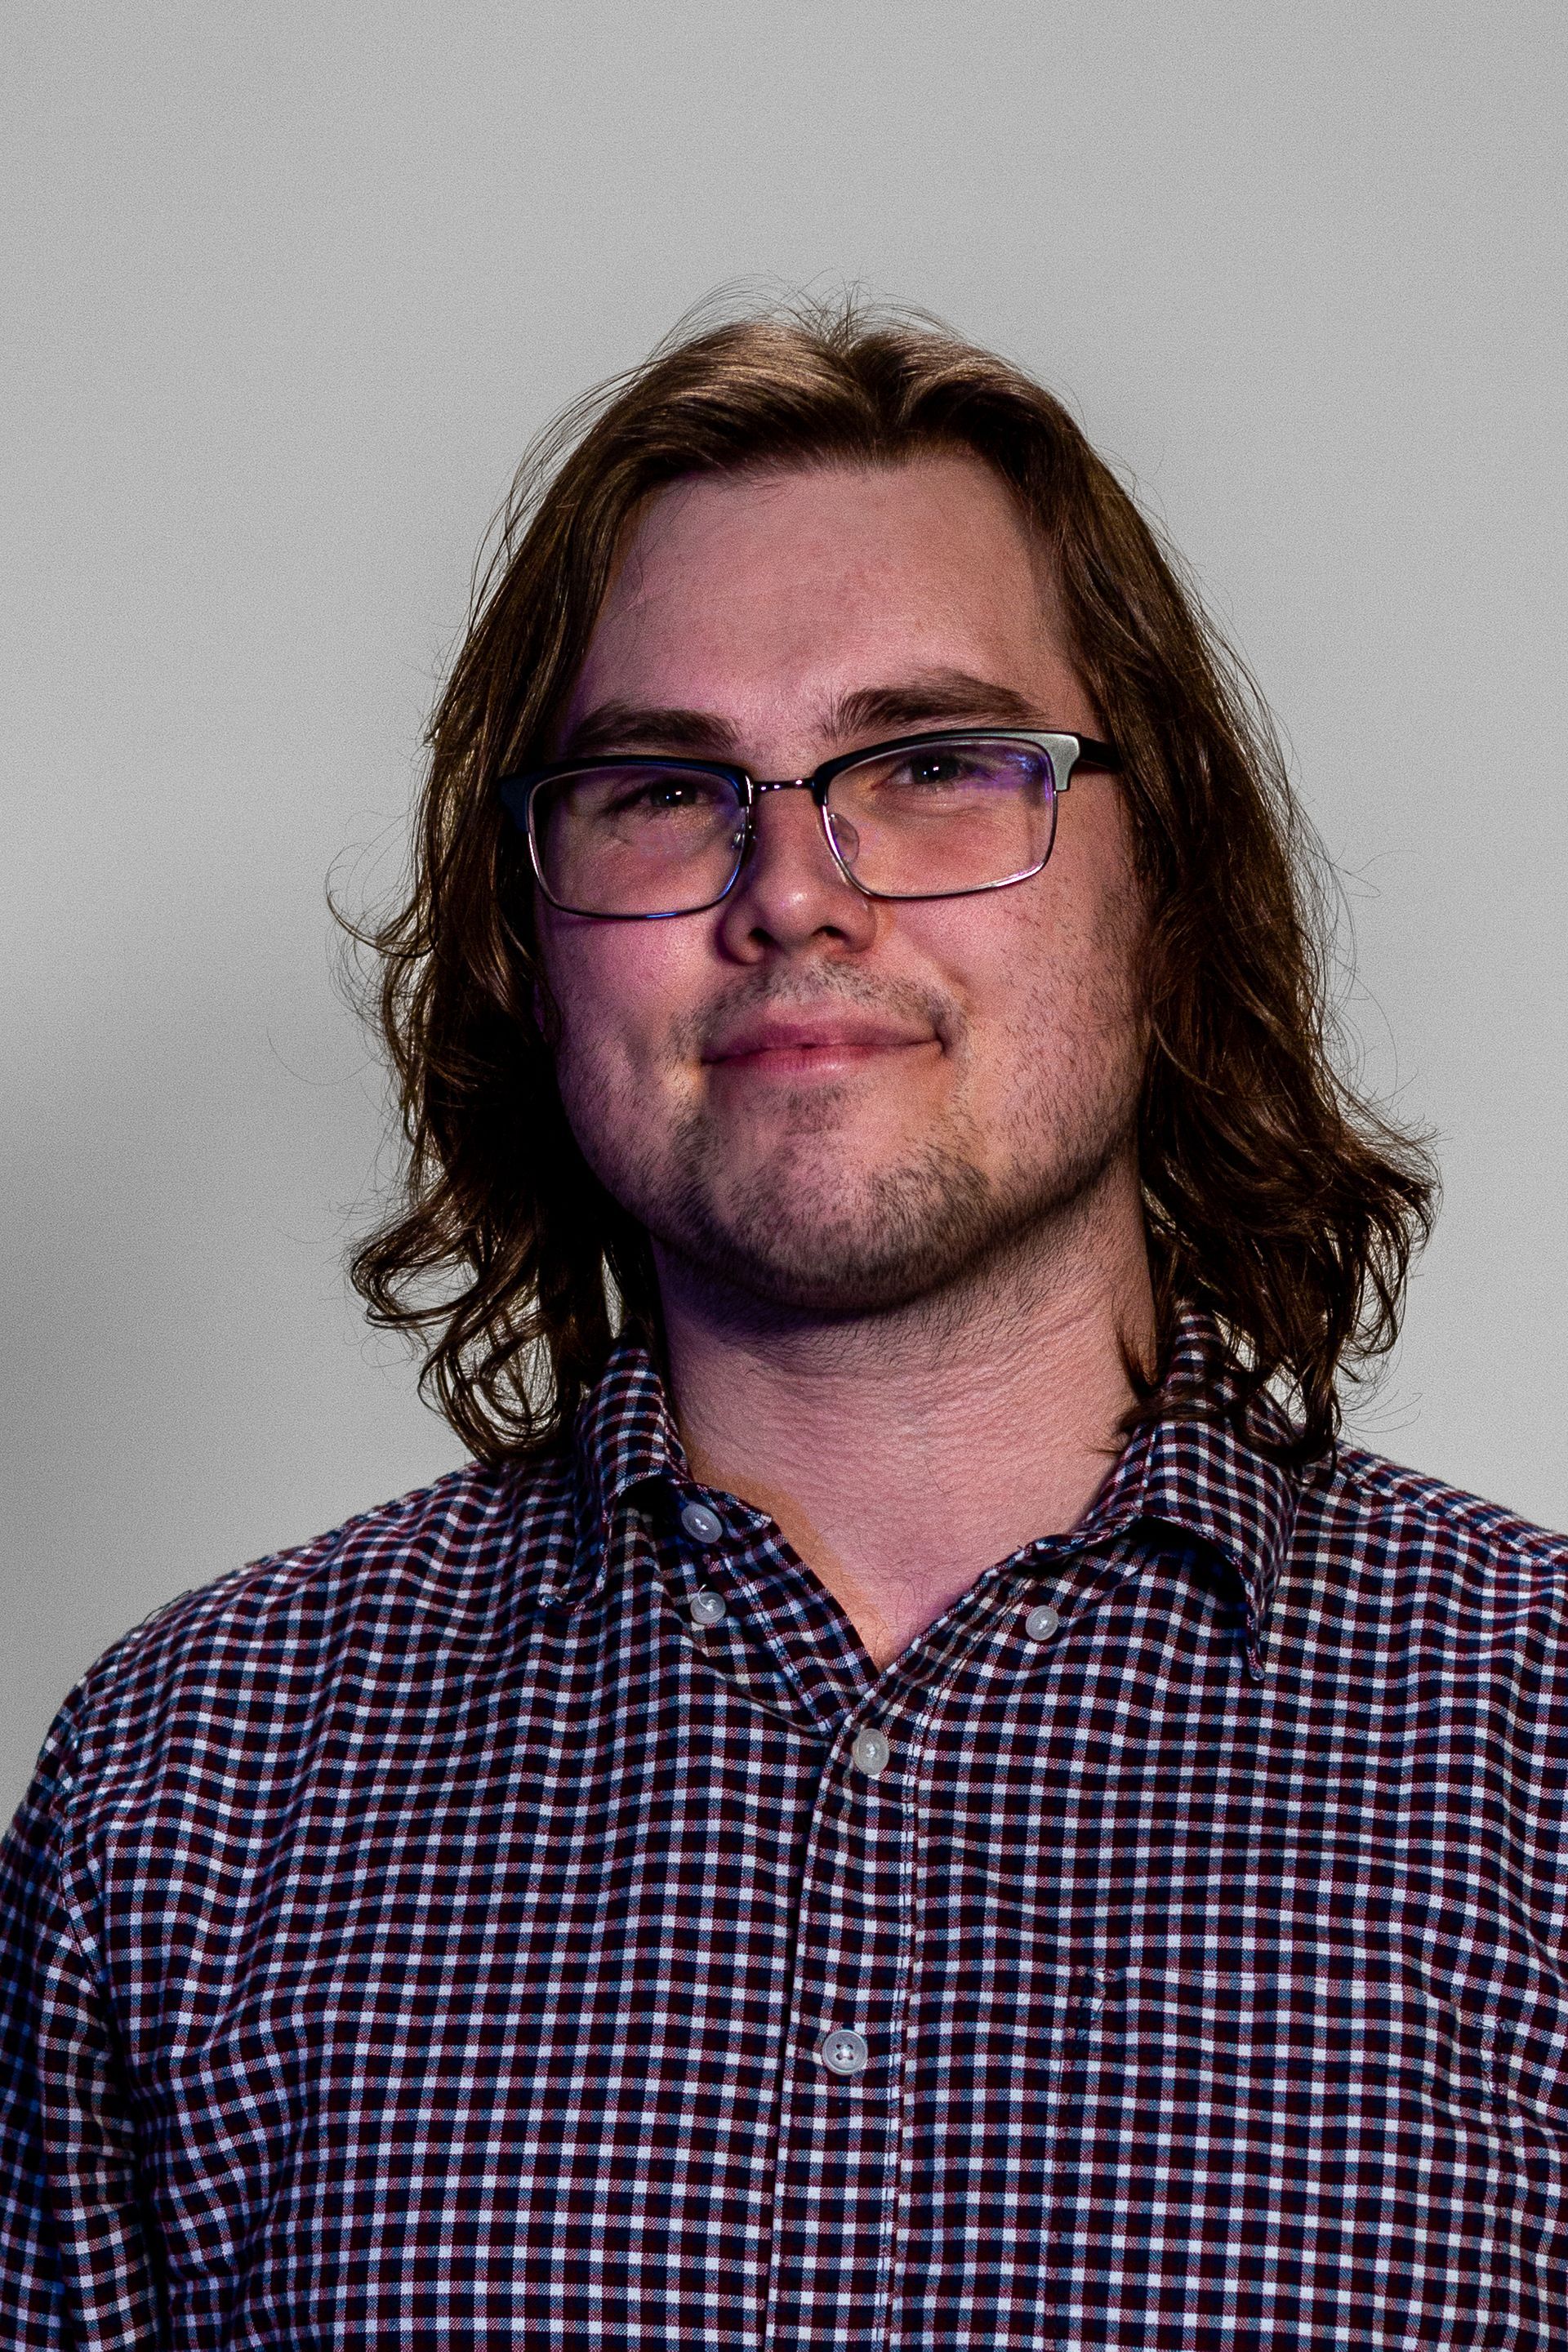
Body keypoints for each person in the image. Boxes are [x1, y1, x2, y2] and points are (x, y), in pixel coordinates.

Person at [2, 298, 1564, 2350]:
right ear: (530, 940)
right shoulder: (189, 1792)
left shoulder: (1539, 1763)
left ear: (1164, 889)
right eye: (661, 788)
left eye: (929, 765)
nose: (795, 893)